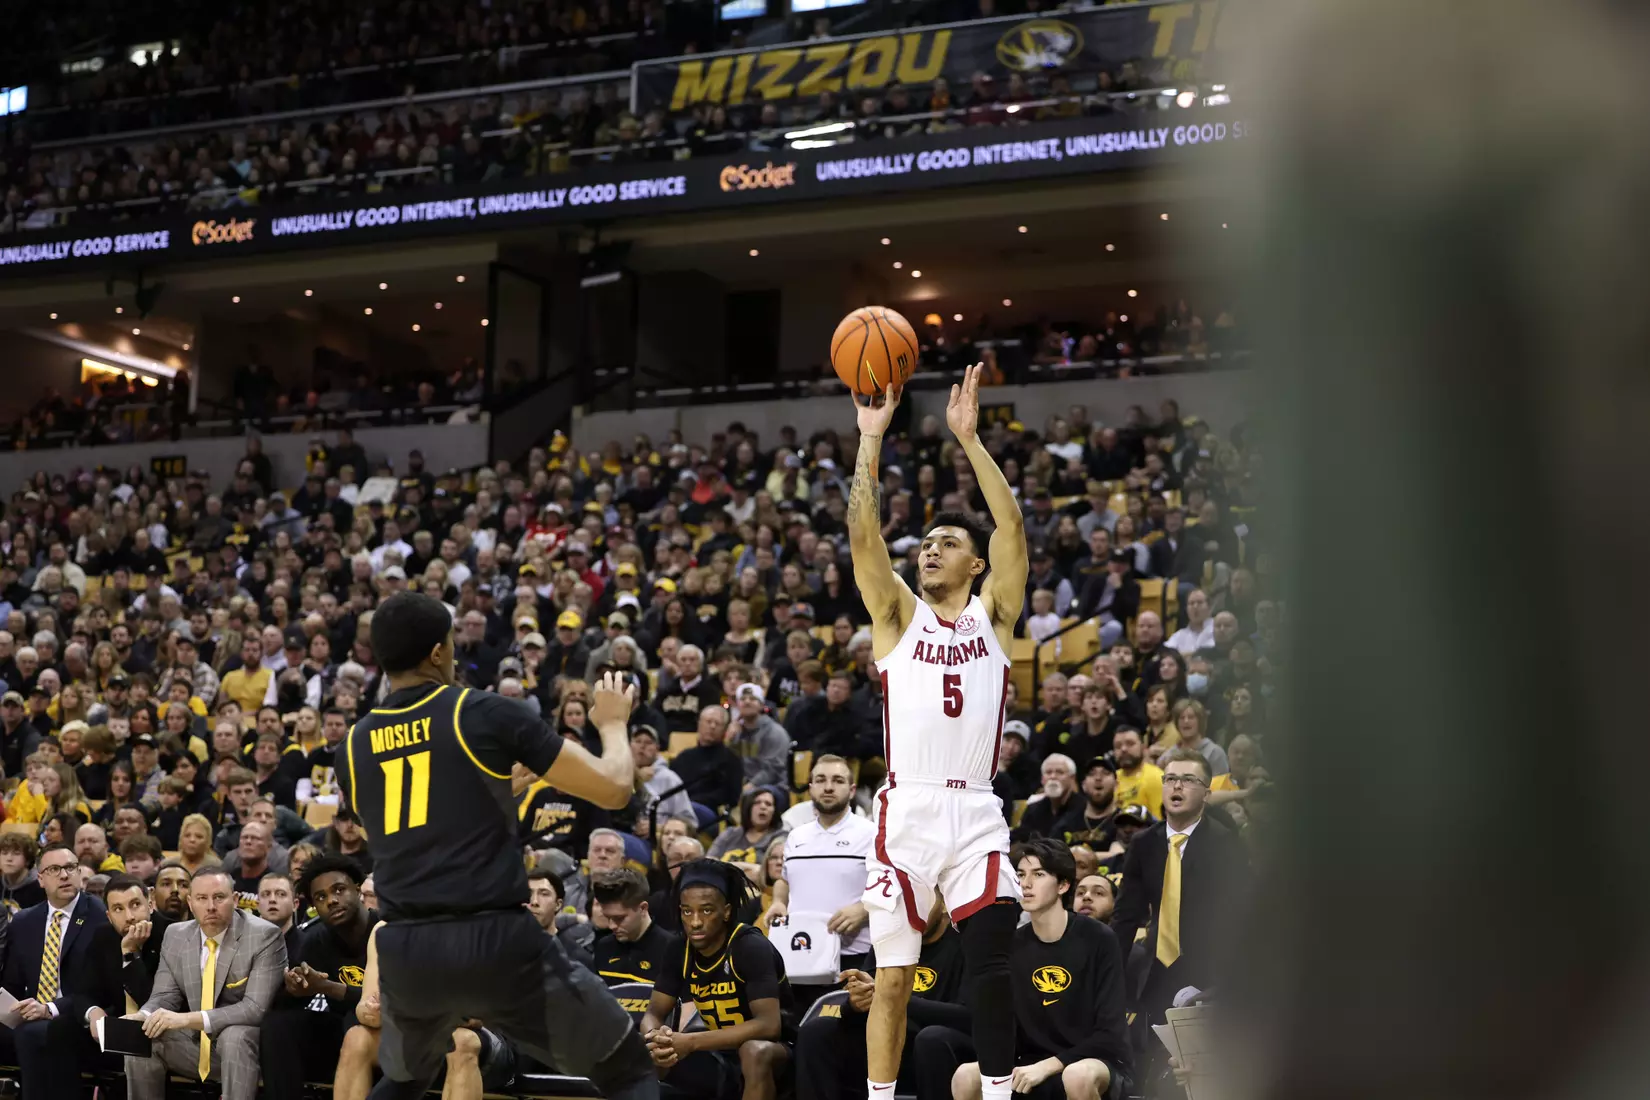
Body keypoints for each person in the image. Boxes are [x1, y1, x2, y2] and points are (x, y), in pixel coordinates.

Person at [335, 592, 655, 1100]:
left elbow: (408, 830)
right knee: (629, 1069)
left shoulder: (351, 745)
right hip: (489, 937)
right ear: (439, 653)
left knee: (405, 1080)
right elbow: (615, 786)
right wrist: (613, 723)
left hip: (408, 947)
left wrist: (498, 789)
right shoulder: (480, 711)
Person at [848, 364, 1028, 1100]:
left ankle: (993, 1094)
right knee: (893, 976)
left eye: (948, 541)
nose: (930, 548)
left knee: (990, 958)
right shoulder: (895, 616)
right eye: (924, 542)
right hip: (909, 811)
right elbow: (864, 535)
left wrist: (971, 440)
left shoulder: (995, 616)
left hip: (978, 809)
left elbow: (1011, 526)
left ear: (976, 564)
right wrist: (870, 439)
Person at [920, 839, 1131, 1100]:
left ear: (1063, 885)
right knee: (966, 1076)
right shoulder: (1011, 943)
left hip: (1096, 1060)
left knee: (1077, 1076)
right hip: (1029, 1060)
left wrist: (1050, 1065)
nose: (1026, 883)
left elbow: (1110, 1035)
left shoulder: (1099, 938)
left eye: (1039, 874)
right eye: (1020, 874)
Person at [121, 866, 288, 1100]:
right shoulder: (175, 934)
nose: (210, 906)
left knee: (235, 1036)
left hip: (249, 1050)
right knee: (141, 1038)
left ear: (236, 899)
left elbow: (255, 1009)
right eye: (202, 898)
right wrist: (145, 1015)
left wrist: (186, 1019)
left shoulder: (264, 936)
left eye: (219, 897)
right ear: (190, 902)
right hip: (195, 1045)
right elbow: (165, 995)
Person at [1111, 749, 1249, 1027]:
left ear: (1207, 794)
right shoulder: (1143, 843)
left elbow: (1237, 920)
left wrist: (1219, 984)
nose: (1176, 786)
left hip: (1205, 974)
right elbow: (1126, 917)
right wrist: (1109, 976)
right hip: (1153, 968)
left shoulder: (1224, 844)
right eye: (1170, 778)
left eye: (1188, 780)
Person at [641, 859, 792, 1100]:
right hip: (717, 1051)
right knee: (650, 1058)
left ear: (727, 911)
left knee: (753, 1051)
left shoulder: (749, 946)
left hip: (780, 1052)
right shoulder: (678, 947)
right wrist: (656, 1040)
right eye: (687, 911)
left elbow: (769, 1026)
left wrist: (690, 1042)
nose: (695, 921)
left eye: (707, 910)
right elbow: (653, 1014)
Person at [794, 899, 966, 1100]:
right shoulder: (889, 940)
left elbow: (968, 1016)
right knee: (817, 1032)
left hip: (936, 1048)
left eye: (922, 899)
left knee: (931, 1038)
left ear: (945, 904)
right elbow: (868, 998)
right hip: (885, 1045)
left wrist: (894, 999)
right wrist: (856, 1004)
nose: (912, 910)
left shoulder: (966, 945)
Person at [0, 843, 122, 1098]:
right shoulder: (24, 922)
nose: (64, 875)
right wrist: (14, 1006)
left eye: (70, 868)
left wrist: (49, 1009)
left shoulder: (100, 917)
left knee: (34, 1033)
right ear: (41, 879)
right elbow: (12, 982)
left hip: (78, 1015)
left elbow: (98, 990)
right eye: (55, 869)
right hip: (30, 1013)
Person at [260, 854, 377, 1100]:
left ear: (358, 891)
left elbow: (383, 1004)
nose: (332, 901)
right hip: (338, 1035)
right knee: (276, 1025)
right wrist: (295, 988)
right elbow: (294, 996)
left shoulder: (385, 931)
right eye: (321, 897)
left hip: (387, 1032)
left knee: (356, 1022)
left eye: (339, 890)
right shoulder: (314, 939)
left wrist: (327, 987)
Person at [763, 755, 875, 1002]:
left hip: (854, 954)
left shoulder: (871, 834)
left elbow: (894, 885)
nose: (828, 787)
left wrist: (864, 909)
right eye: (820, 780)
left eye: (837, 780)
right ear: (810, 786)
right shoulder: (795, 836)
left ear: (852, 789)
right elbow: (784, 878)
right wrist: (779, 902)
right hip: (799, 955)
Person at [591, 867, 681, 1005]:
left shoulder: (672, 950)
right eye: (607, 917)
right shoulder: (603, 947)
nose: (611, 926)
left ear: (643, 908)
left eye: (619, 918)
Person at [106, 871, 174, 1010]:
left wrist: (129, 952)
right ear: (109, 917)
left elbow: (152, 1003)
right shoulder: (102, 936)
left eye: (135, 904)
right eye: (118, 909)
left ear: (150, 905)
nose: (129, 916)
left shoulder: (172, 935)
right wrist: (92, 1011)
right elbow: (85, 992)